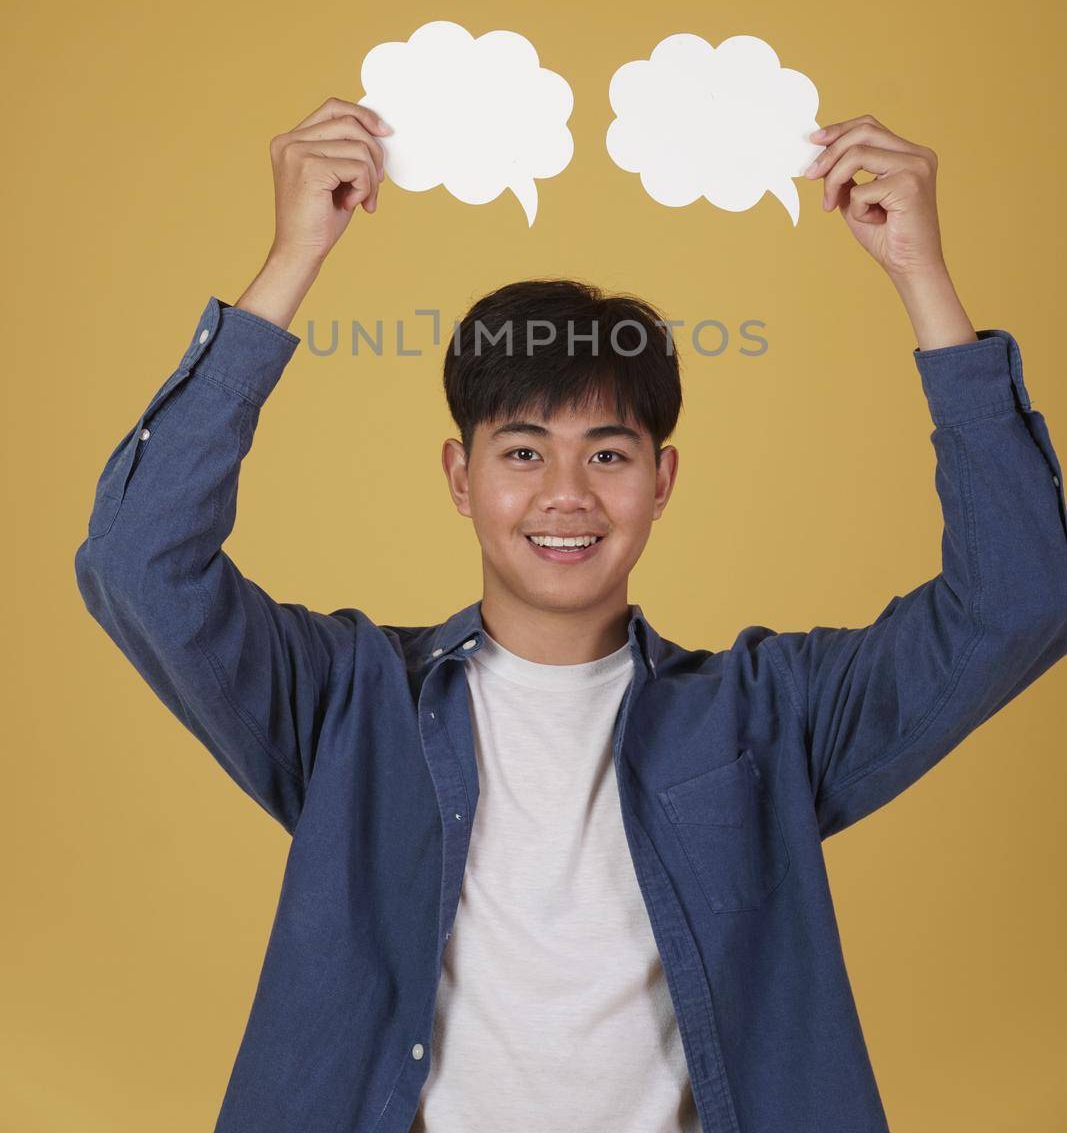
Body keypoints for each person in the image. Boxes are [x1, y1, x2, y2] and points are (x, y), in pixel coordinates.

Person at [74, 97, 1067, 1133]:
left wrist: (921, 277)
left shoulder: (766, 715)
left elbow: (1019, 599)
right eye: (519, 452)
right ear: (459, 476)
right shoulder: (345, 704)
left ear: (660, 477)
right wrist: (291, 260)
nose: (564, 494)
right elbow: (139, 563)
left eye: (606, 452)